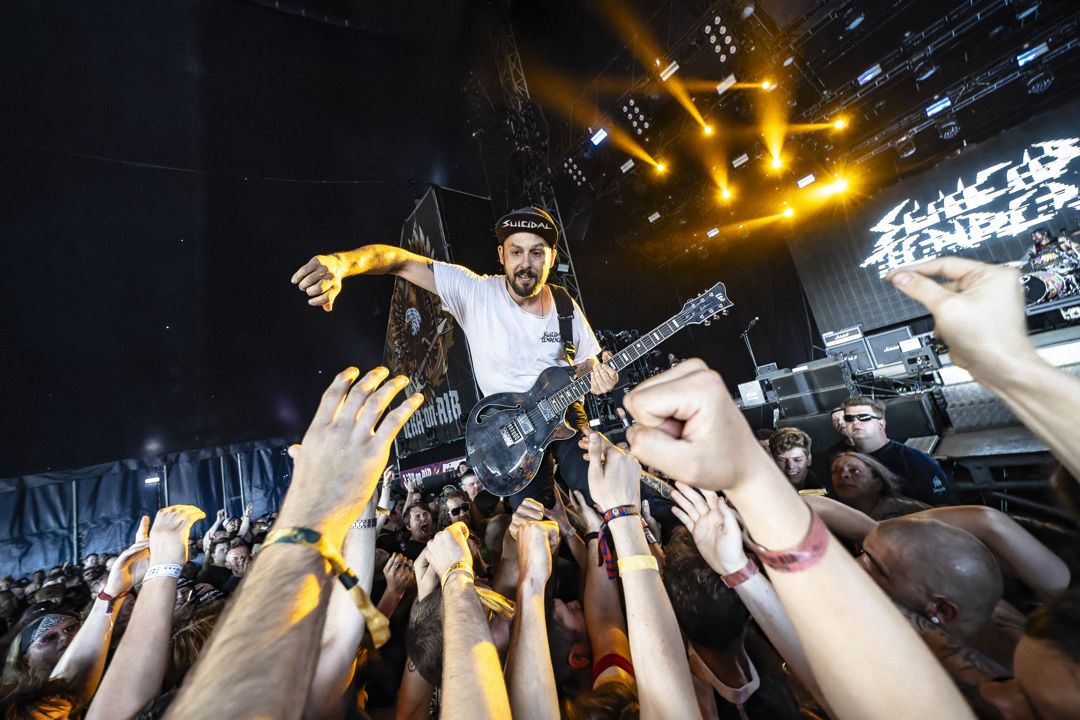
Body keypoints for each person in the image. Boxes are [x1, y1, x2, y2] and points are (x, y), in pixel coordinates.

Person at [291, 206, 619, 508]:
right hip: (510, 428)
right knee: (534, 522)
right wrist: (342, 263)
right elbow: (400, 261)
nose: (525, 264)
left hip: (564, 410)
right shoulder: (475, 291)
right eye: (516, 252)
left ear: (551, 257)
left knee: (598, 486)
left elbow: (590, 361)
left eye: (536, 253)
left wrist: (600, 378)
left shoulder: (564, 304)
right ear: (501, 255)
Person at [840, 395, 955, 505]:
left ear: (881, 424)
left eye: (864, 417)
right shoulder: (843, 464)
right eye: (849, 418)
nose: (855, 422)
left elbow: (943, 505)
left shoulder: (915, 460)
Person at [831, 451, 930, 520]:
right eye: (836, 471)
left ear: (877, 482)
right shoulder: (830, 517)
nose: (843, 475)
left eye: (854, 470)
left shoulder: (912, 512)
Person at [768, 428, 823, 492]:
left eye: (797, 459)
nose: (790, 466)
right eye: (782, 460)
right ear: (773, 460)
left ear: (808, 460)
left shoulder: (826, 491)